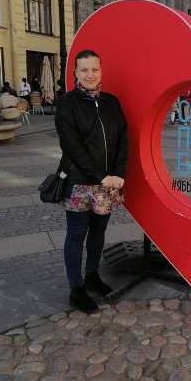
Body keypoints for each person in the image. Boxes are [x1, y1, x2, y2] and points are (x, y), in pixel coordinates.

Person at [55, 49, 128, 313]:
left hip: (109, 182)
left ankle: (92, 275)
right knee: (76, 235)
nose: (89, 74)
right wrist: (102, 176)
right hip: (80, 182)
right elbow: (71, 146)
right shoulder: (67, 103)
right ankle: (76, 288)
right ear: (75, 72)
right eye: (84, 70)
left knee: (99, 232)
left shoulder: (112, 101)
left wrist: (119, 174)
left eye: (94, 69)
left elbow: (122, 140)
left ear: (101, 71)